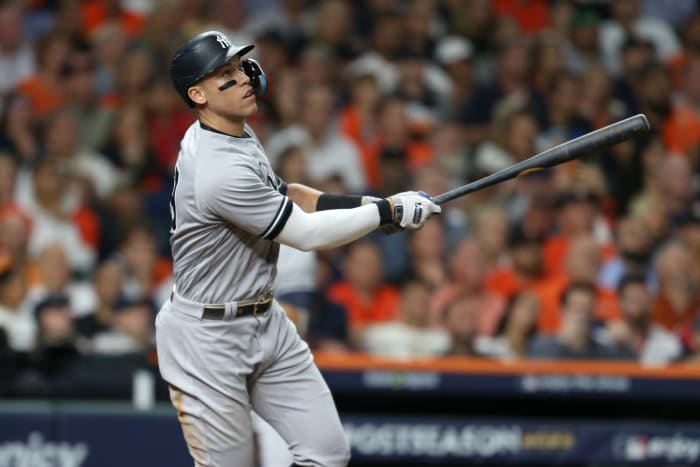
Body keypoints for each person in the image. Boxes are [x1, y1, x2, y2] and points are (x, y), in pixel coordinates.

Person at [155, 30, 441, 467]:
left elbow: (289, 194)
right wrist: (387, 214)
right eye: (225, 74)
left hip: (265, 319)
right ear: (198, 94)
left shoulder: (235, 133)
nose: (244, 77)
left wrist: (376, 206)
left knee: (326, 453)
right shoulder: (216, 169)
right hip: (206, 339)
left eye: (239, 66)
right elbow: (305, 234)